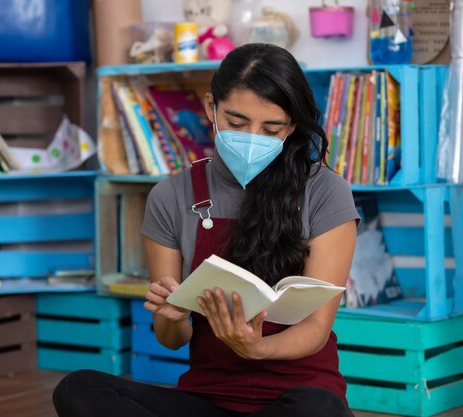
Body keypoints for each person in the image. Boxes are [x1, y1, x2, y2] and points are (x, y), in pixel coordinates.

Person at [53, 43, 359, 417]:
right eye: (236, 122)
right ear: (210, 108)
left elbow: (316, 326)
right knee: (79, 387)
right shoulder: (171, 195)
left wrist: (256, 347)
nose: (252, 138)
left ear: (291, 126)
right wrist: (173, 316)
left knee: (318, 410)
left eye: (271, 128)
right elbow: (170, 339)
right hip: (208, 400)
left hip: (296, 399)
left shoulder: (325, 191)